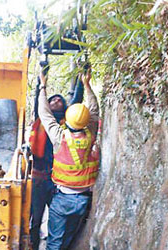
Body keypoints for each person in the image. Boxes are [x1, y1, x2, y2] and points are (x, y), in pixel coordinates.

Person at [38, 68, 100, 250]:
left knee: (54, 242)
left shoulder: (60, 137)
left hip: (63, 198)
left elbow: (45, 114)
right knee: (68, 239)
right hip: (83, 200)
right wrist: (87, 85)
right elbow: (94, 110)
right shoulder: (91, 133)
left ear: (67, 118)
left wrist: (42, 86)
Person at [29, 67, 83, 250]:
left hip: (58, 182)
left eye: (60, 99)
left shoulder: (67, 127)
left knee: (60, 221)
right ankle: (33, 245)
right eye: (52, 99)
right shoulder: (42, 120)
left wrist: (81, 78)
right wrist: (41, 81)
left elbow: (77, 101)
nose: (56, 100)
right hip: (39, 178)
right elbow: (40, 101)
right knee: (35, 218)